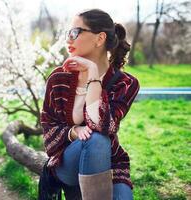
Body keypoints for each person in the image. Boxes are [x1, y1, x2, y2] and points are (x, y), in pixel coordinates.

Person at [40, 9, 140, 200]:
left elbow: (105, 125)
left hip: (110, 163)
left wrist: (93, 75)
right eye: (67, 33)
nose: (68, 39)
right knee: (96, 139)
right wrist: (74, 132)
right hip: (66, 161)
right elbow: (48, 132)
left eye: (75, 33)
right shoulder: (58, 78)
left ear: (99, 38)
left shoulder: (126, 84)